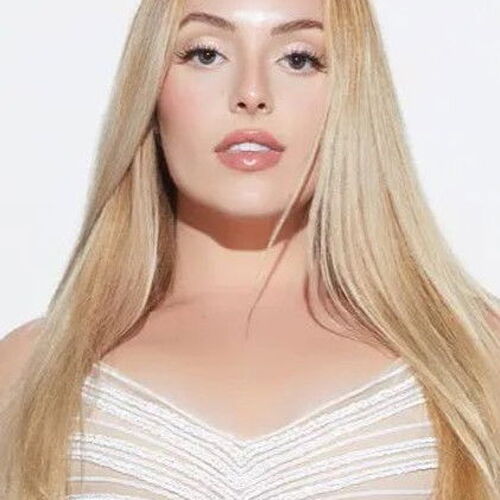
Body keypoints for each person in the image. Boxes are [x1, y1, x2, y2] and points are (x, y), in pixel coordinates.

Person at [1, 0, 500, 498]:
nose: (252, 93)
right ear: (149, 88)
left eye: (299, 58)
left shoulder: (478, 361)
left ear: (351, 93)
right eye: (206, 54)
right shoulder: (28, 375)